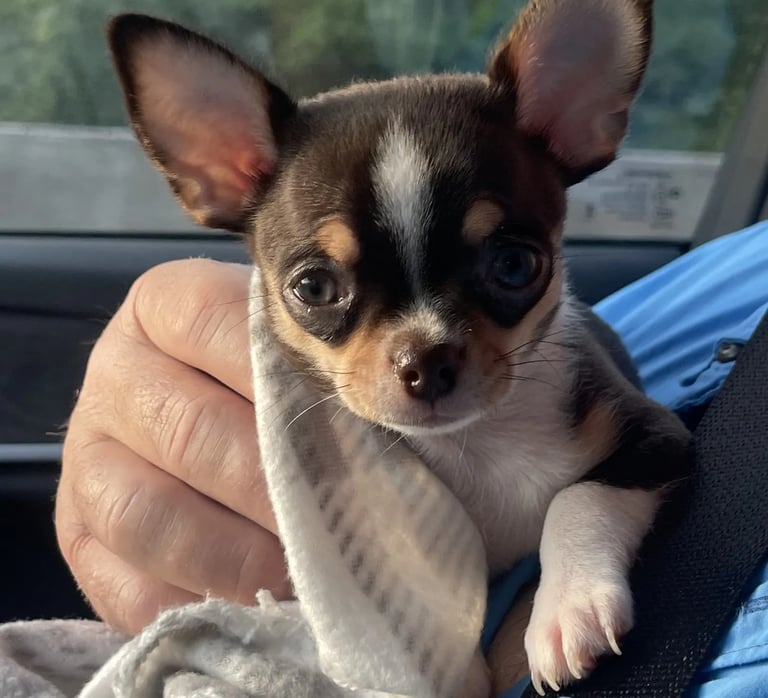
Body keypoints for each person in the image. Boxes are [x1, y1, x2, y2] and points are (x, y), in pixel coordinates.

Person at [57, 222, 768, 696]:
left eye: (511, 265)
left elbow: (647, 445)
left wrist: (579, 549)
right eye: (317, 284)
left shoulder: (563, 362)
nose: (425, 349)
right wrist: (164, 412)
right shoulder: (728, 272)